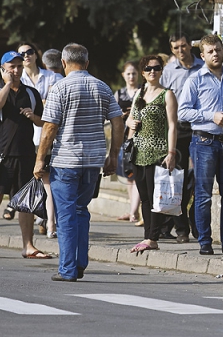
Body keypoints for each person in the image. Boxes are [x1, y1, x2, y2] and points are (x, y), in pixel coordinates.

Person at [34, 43, 124, 282]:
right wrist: (113, 154)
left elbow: (50, 127)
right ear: (87, 62)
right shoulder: (102, 87)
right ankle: (80, 262)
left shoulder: (59, 88)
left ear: (63, 63)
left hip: (66, 161)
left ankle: (68, 269)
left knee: (65, 215)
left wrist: (40, 160)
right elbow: (117, 121)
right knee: (81, 210)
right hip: (93, 161)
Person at [0, 51, 49, 260]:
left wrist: (33, 116)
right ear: (3, 70)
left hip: (25, 154)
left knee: (25, 203)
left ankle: (28, 246)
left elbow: (44, 121)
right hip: (1, 156)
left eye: (18, 66)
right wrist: (7, 84)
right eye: (11, 67)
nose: (16, 71)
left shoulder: (32, 93)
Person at [177, 34, 223, 256]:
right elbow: (183, 112)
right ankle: (205, 242)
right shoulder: (195, 80)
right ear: (203, 55)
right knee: (204, 194)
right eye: (211, 51)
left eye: (218, 50)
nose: (216, 54)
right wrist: (211, 116)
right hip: (203, 142)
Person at [126, 55, 178, 253]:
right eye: (148, 68)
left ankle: (152, 237)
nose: (152, 71)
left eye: (156, 68)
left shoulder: (167, 94)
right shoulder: (139, 94)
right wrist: (129, 123)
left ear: (161, 71)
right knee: (145, 197)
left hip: (158, 152)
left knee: (156, 197)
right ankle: (148, 236)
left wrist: (171, 153)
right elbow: (131, 118)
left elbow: (173, 126)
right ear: (143, 72)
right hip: (138, 152)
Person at [160, 33, 205, 242]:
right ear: (172, 50)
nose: (181, 51)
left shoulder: (202, 67)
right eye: (176, 48)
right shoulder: (168, 72)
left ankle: (198, 226)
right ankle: (181, 229)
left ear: (190, 46)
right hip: (177, 129)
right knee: (176, 179)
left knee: (198, 180)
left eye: (184, 46)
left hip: (199, 127)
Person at [17, 42, 59, 237]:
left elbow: (57, 104)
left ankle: (50, 222)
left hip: (47, 136)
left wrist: (42, 105)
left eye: (29, 52)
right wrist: (43, 102)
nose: (26, 56)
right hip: (24, 137)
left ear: (36, 55)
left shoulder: (52, 77)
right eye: (22, 54)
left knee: (47, 179)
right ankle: (37, 217)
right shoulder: (18, 79)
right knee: (31, 180)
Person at [115, 61, 142, 223]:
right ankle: (133, 209)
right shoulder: (119, 94)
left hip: (140, 137)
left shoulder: (142, 91)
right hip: (125, 139)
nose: (131, 76)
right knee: (129, 176)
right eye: (128, 73)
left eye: (134, 73)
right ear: (123, 75)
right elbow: (110, 115)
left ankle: (133, 211)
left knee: (137, 174)